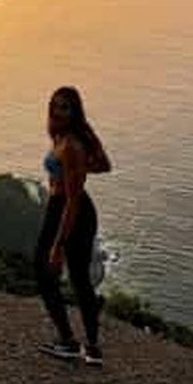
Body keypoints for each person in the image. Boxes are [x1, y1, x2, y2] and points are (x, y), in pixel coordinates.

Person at [36, 86, 111, 366]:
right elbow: (104, 165)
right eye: (55, 105)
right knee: (76, 278)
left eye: (65, 106)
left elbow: (73, 201)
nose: (58, 111)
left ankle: (72, 342)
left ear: (75, 111)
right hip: (64, 206)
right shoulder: (61, 136)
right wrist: (78, 169)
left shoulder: (70, 146)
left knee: (53, 271)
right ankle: (90, 348)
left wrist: (58, 246)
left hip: (72, 210)